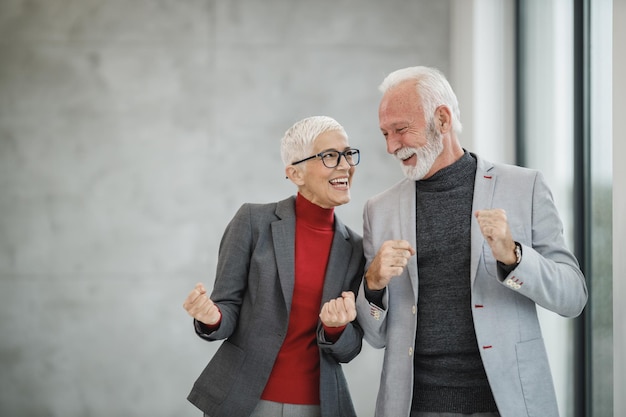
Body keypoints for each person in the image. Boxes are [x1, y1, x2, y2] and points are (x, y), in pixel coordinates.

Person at [355, 66, 588, 417]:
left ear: (443, 120)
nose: (391, 146)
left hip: (507, 404)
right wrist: (372, 285)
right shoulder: (379, 210)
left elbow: (573, 297)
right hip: (415, 407)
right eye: (385, 133)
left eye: (401, 130)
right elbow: (376, 336)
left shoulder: (525, 188)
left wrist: (514, 257)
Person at [183, 115, 365, 417]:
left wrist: (336, 329)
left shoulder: (356, 248)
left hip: (320, 405)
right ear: (296, 174)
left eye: (347, 154)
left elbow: (351, 347)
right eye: (330, 156)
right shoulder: (253, 222)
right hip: (244, 400)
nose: (345, 165)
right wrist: (211, 317)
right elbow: (225, 310)